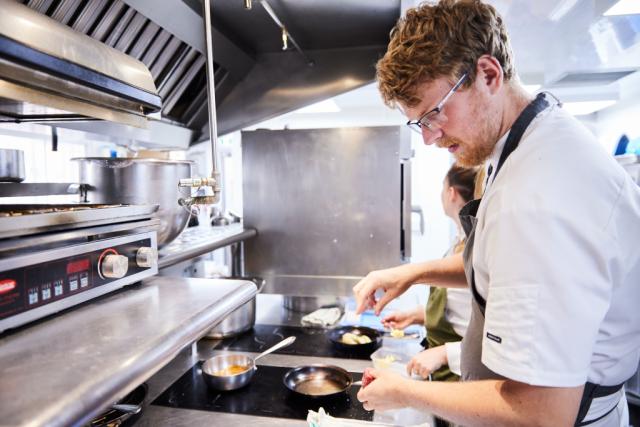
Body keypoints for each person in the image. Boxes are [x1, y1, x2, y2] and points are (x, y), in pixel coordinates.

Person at [353, 1, 640, 426]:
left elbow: (542, 412)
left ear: (488, 74)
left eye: (434, 114)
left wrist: (404, 392)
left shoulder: (536, 196)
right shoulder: (532, 144)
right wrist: (411, 274)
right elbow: (505, 265)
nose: (430, 138)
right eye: (419, 125)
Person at [383, 164, 480, 382]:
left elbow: (489, 334)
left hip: (463, 376)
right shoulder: (461, 240)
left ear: (451, 192)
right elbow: (459, 313)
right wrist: (417, 315)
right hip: (442, 370)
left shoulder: (481, 249)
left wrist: (446, 353)